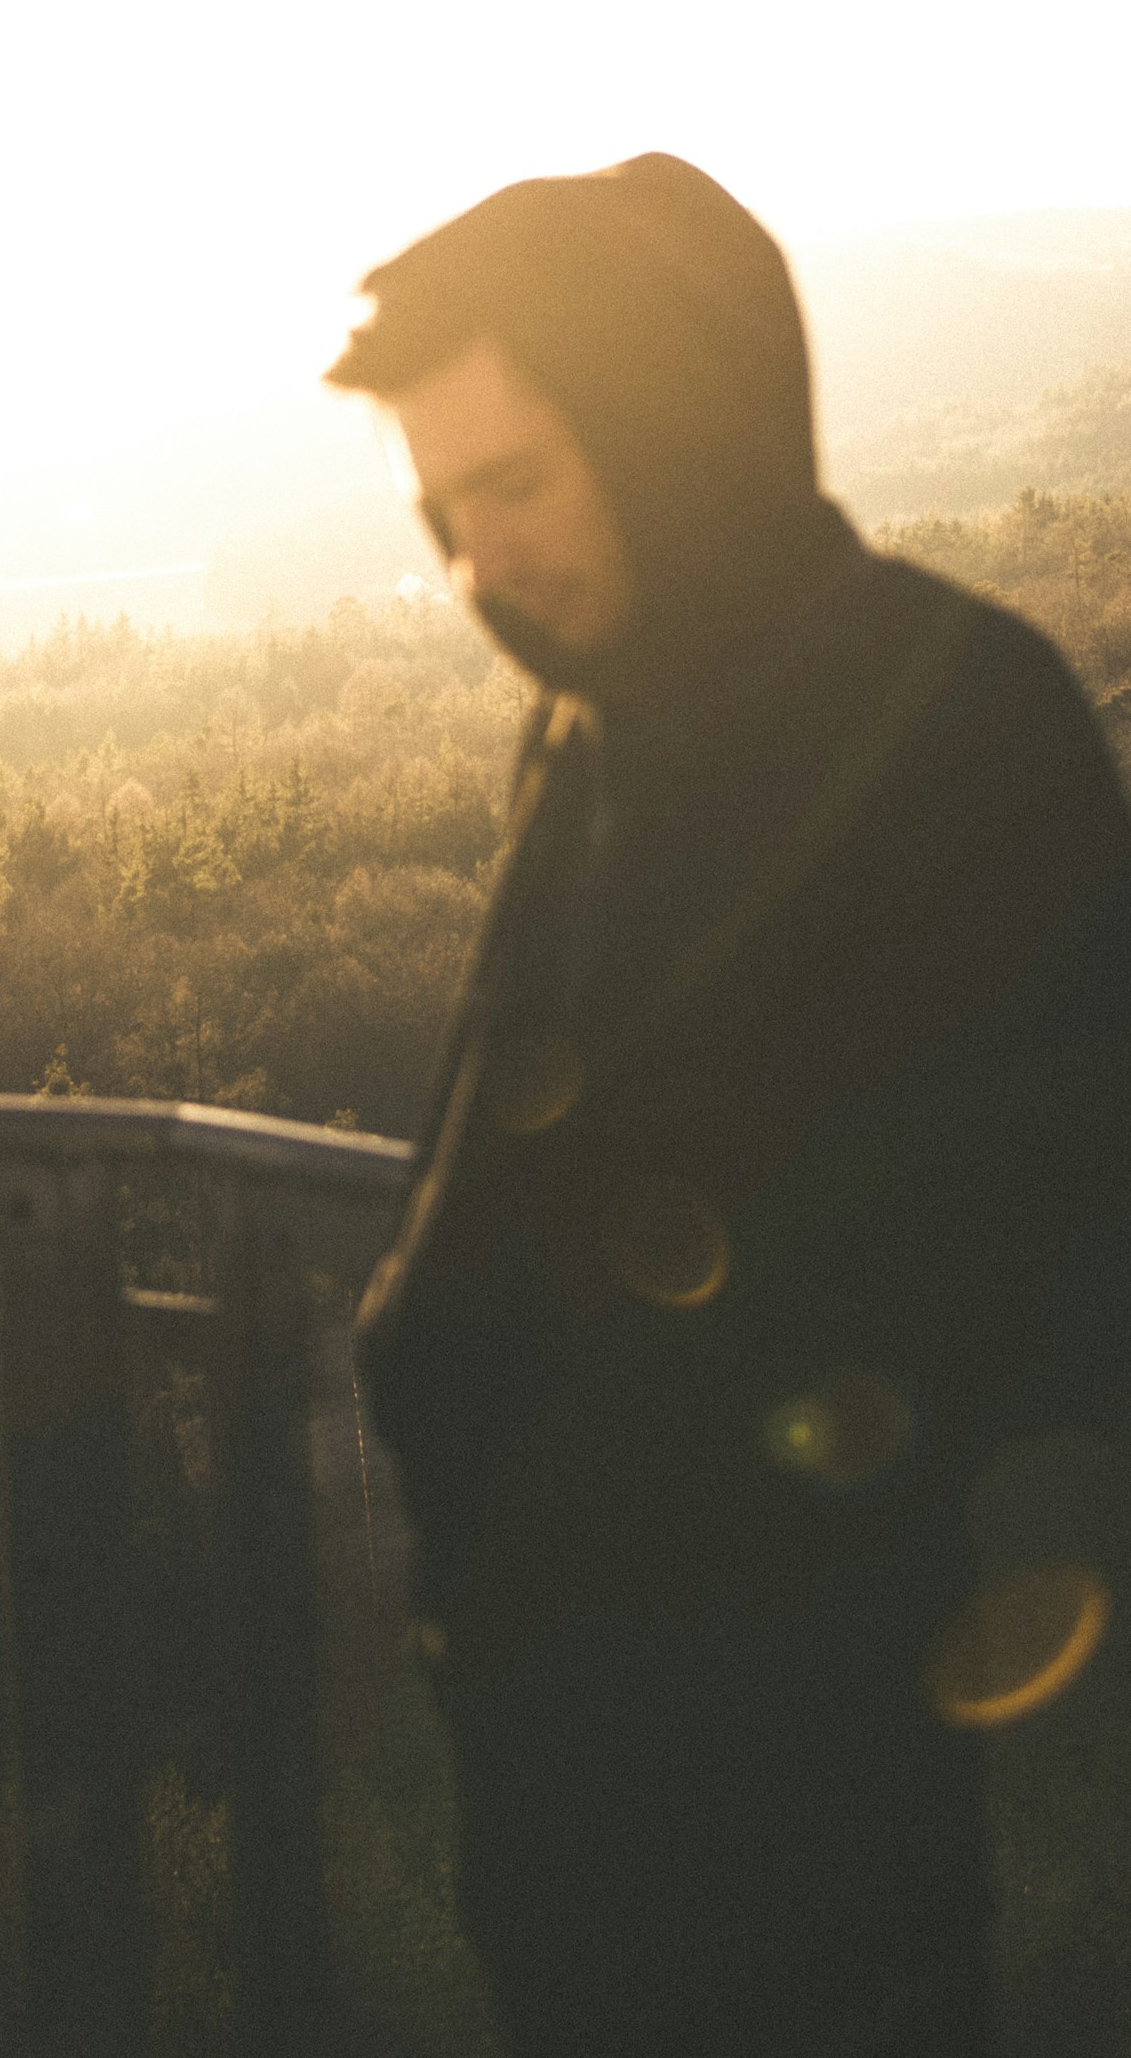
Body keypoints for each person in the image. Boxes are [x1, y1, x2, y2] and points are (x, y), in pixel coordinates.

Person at [324, 154, 1131, 2056]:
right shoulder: (593, 727)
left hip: (806, 1834)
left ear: (671, 427)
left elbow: (1040, 1270)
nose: (477, 568)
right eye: (442, 516)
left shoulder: (957, 721)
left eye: (513, 484)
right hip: (566, 1820)